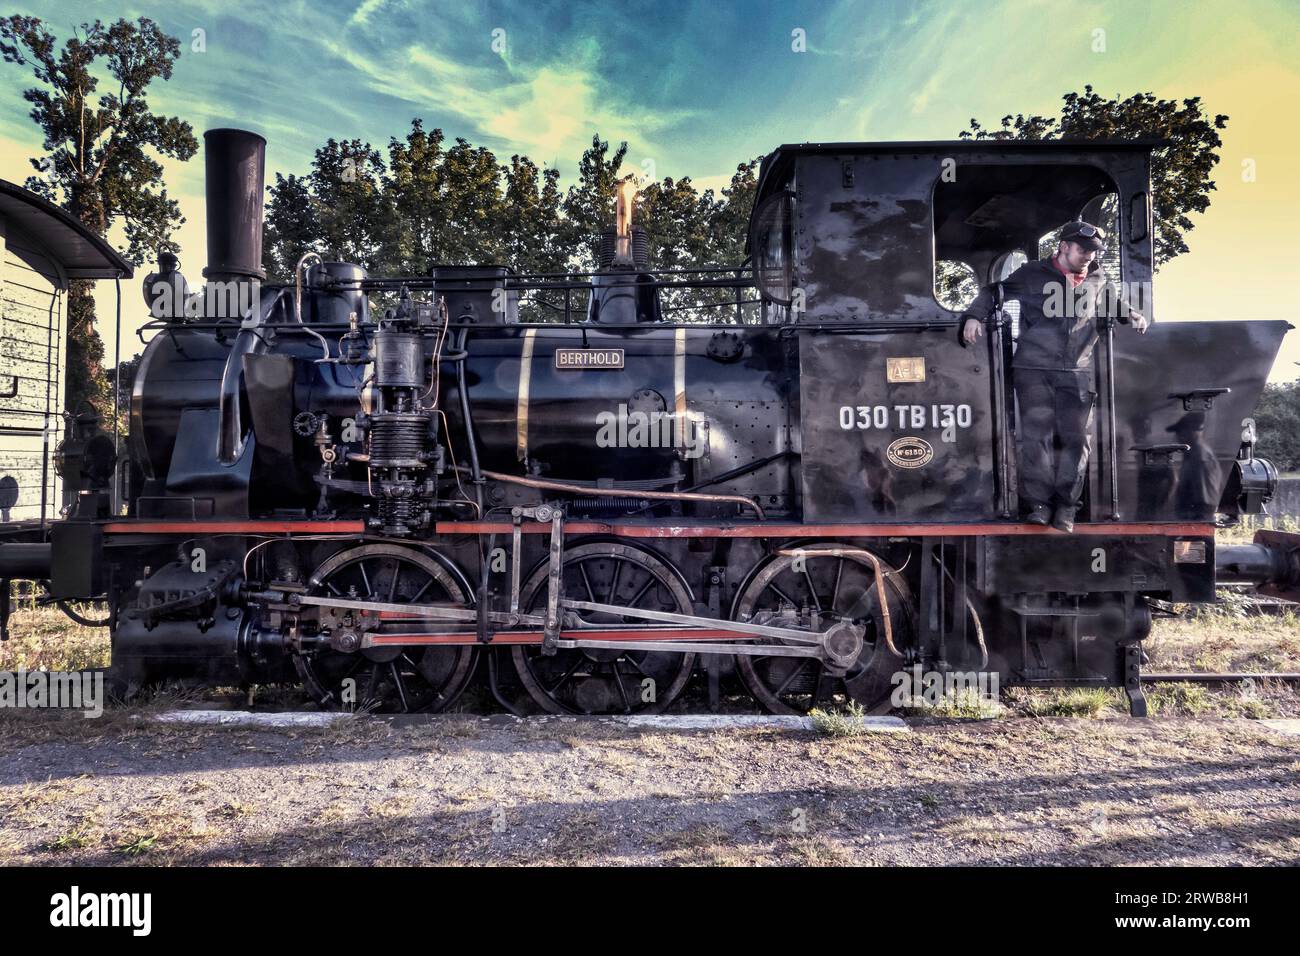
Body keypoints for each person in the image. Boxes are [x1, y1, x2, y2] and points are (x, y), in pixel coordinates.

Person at [961, 221, 1148, 532]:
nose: (1089, 255)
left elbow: (1113, 303)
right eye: (1083, 249)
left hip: (1076, 371)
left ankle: (1066, 508)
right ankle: (1038, 505)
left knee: (1077, 441)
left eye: (1093, 251)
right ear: (1063, 247)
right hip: (1033, 369)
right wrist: (972, 316)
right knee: (1037, 439)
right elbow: (995, 292)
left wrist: (1132, 314)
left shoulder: (1099, 278)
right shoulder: (1032, 273)